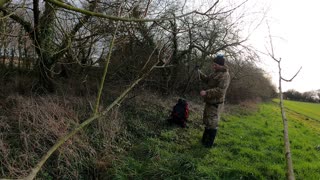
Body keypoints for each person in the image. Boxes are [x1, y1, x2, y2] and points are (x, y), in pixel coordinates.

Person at [198, 54, 230, 148]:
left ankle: (208, 144)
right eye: (213, 64)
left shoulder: (225, 75)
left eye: (215, 64)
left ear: (221, 65)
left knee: (212, 123)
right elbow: (207, 79)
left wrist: (206, 92)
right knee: (208, 121)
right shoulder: (215, 73)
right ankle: (204, 141)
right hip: (209, 101)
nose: (213, 66)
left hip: (216, 103)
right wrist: (199, 72)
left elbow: (220, 91)